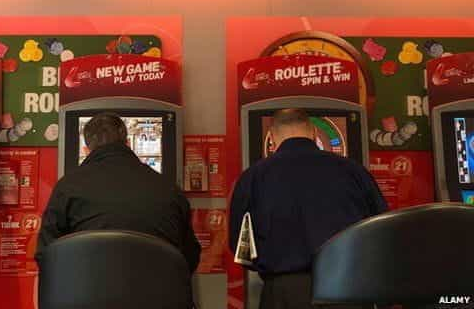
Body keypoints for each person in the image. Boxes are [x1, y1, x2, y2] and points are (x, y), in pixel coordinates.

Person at [229, 108, 387, 309]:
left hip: (284, 291)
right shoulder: (353, 171)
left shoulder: (253, 177)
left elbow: (240, 245)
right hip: (347, 286)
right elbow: (379, 232)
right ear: (313, 133)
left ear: (273, 139)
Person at [36, 112, 201, 271]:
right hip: (159, 296)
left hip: (87, 296)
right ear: (128, 143)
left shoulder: (67, 188)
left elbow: (47, 254)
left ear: (87, 150)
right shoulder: (169, 188)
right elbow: (190, 257)